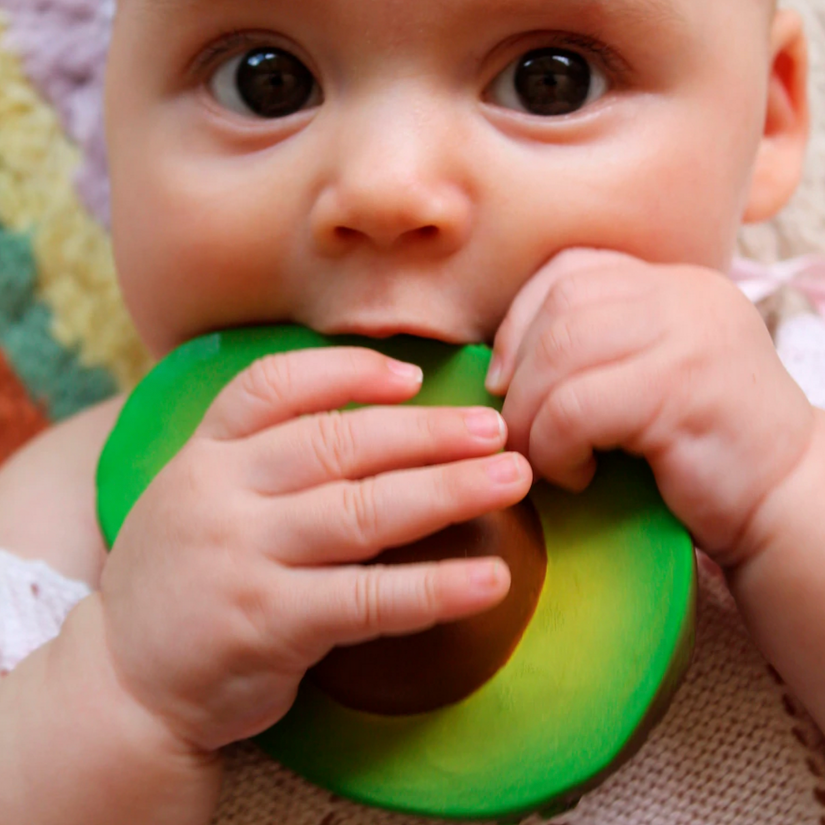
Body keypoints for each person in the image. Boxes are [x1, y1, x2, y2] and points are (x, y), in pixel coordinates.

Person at [0, 0, 823, 822]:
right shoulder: (66, 531)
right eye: (266, 82)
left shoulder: (790, 405)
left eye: (551, 84)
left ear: (768, 121)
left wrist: (782, 492)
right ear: (113, 119)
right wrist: (120, 691)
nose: (385, 188)